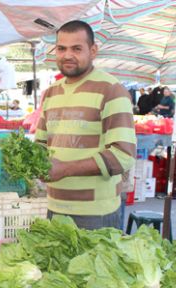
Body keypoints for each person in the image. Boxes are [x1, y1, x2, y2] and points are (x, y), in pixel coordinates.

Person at [35, 20, 136, 230]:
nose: (67, 55)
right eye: (61, 48)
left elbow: (123, 156)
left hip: (96, 214)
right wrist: (30, 162)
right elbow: (41, 144)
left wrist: (65, 169)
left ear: (93, 51)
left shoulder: (111, 89)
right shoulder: (51, 92)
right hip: (55, 208)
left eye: (76, 48)